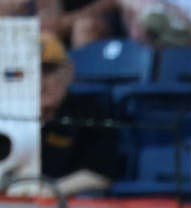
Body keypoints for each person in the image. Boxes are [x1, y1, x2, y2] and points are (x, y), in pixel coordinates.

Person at [6, 33, 118, 199]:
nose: (40, 82)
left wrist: (50, 190)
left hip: (68, 204)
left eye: (48, 71)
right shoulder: (8, 115)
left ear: (68, 72)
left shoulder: (90, 112)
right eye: (31, 72)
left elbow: (100, 174)